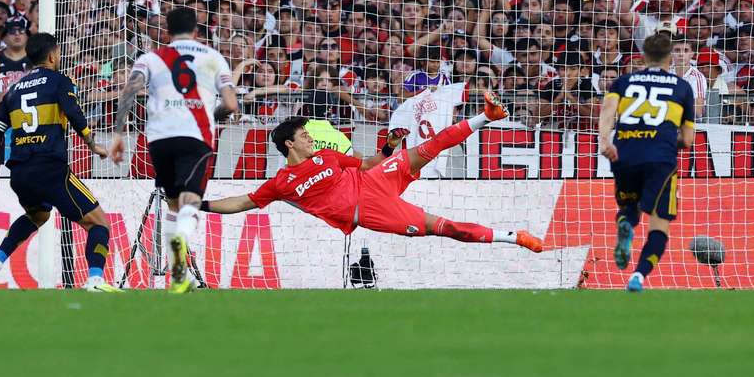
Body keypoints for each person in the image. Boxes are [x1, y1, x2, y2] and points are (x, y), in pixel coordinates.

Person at [199, 92, 544, 255]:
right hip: (369, 211)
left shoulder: (328, 155)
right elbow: (243, 201)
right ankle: (514, 236)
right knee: (446, 227)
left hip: (374, 179)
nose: (309, 136)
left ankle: (489, 116)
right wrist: (202, 205)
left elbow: (368, 164)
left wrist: (391, 145)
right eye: (303, 134)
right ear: (289, 145)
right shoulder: (281, 183)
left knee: (430, 146)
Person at [109, 6, 237, 294]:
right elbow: (231, 104)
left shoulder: (151, 57)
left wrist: (118, 134)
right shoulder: (213, 57)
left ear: (166, 31)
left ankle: (179, 278)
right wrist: (209, 116)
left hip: (159, 138)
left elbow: (129, 90)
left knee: (172, 204)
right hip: (195, 136)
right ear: (197, 30)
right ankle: (181, 240)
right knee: (189, 201)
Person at [0, 32, 116, 292]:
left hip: (19, 172)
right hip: (50, 167)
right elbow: (74, 112)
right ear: (52, 55)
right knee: (99, 224)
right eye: (59, 52)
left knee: (37, 215)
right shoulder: (59, 81)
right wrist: (92, 143)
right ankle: (95, 280)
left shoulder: (12, 91)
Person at [597, 30, 696, 292]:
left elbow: (607, 110)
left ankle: (626, 225)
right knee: (659, 222)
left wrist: (605, 142)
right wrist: (661, 139)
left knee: (629, 207)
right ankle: (638, 276)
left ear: (643, 56)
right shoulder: (683, 87)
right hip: (660, 159)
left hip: (625, 153)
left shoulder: (623, 82)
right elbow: (688, 139)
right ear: (669, 58)